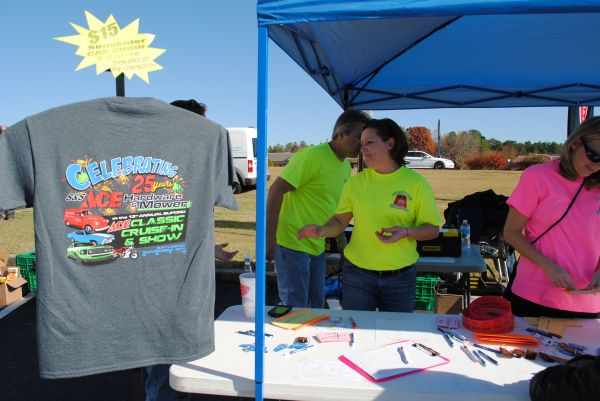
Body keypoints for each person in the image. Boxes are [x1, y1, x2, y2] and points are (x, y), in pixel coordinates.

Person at [297, 118, 441, 312]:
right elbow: (340, 221)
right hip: (358, 275)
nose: (363, 149)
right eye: (362, 143)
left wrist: (406, 232)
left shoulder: (416, 184)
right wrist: (322, 230)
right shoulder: (355, 183)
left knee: (394, 336)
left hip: (400, 277)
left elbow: (431, 230)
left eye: (370, 143)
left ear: (390, 144)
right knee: (356, 333)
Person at [266, 109, 371, 308]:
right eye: (359, 137)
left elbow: (336, 209)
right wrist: (268, 237)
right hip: (292, 243)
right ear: (341, 134)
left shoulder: (345, 167)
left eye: (366, 139)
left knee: (315, 306)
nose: (362, 144)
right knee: (295, 307)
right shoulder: (312, 156)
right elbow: (276, 190)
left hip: (317, 245)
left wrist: (342, 245)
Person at [503, 116, 600, 318]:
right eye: (594, 155)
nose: (596, 165)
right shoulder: (537, 176)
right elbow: (511, 233)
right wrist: (548, 266)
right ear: (574, 144)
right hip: (534, 296)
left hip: (587, 302)